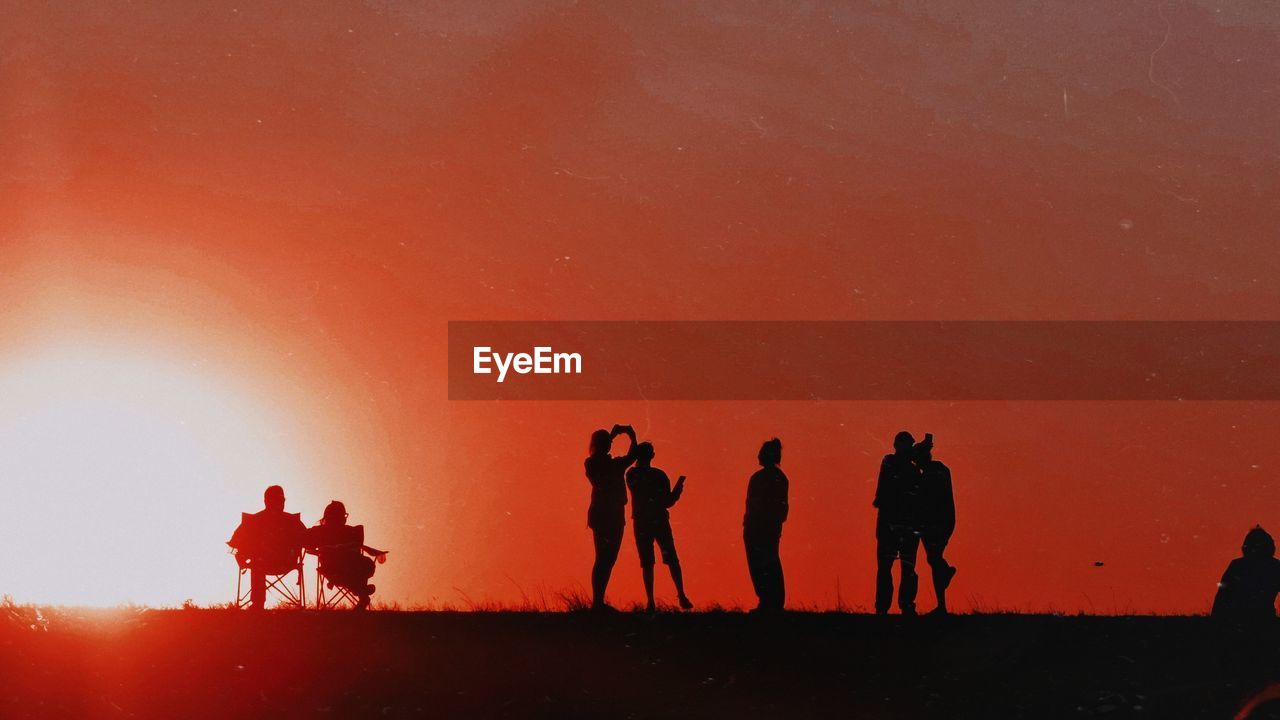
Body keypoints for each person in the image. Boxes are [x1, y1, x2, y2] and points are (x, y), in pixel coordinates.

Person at [625, 442, 693, 612]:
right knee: (671, 557)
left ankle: (650, 601)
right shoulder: (659, 475)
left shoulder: (631, 474)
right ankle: (681, 594)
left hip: (641, 520)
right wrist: (678, 491)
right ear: (652, 456)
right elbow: (668, 502)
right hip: (659, 519)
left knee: (647, 561)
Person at [584, 424, 638, 610]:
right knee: (603, 558)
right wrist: (627, 436)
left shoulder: (610, 464)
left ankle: (598, 601)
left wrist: (627, 437)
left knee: (609, 558)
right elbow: (631, 457)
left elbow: (632, 456)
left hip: (612, 514)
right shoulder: (593, 463)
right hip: (604, 514)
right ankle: (597, 602)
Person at [227, 485, 307, 610]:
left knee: (257, 561)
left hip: (271, 562)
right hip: (284, 562)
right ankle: (258, 604)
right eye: (279, 499)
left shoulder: (253, 521)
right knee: (258, 561)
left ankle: (257, 604)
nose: (281, 502)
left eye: (281, 500)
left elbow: (233, 545)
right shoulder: (292, 520)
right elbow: (307, 540)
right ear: (267, 501)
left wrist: (240, 557)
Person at [305, 500, 387, 610]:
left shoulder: (320, 531)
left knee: (352, 570)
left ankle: (361, 591)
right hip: (341, 568)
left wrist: (318, 551)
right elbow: (307, 544)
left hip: (339, 569)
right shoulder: (350, 531)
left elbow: (307, 545)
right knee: (359, 567)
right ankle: (361, 592)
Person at [874, 431, 921, 615]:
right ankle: (894, 606)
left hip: (894, 525)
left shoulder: (898, 465)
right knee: (898, 568)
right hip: (896, 525)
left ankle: (889, 607)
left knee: (896, 569)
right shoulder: (895, 464)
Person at [743, 438, 788, 611]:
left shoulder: (762, 477)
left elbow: (756, 504)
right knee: (769, 562)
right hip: (768, 527)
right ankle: (772, 601)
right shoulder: (780, 478)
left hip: (759, 527)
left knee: (761, 564)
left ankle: (769, 601)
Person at [914, 434, 957, 615]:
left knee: (934, 558)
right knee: (934, 559)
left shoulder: (930, 475)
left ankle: (942, 601)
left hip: (935, 523)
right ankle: (942, 604)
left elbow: (927, 500)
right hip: (943, 522)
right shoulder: (940, 470)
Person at [1211, 525, 1280, 619]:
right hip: (1264, 618)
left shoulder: (1237, 566)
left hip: (1238, 619)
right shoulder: (1275, 566)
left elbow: (1221, 597)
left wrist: (1215, 620)